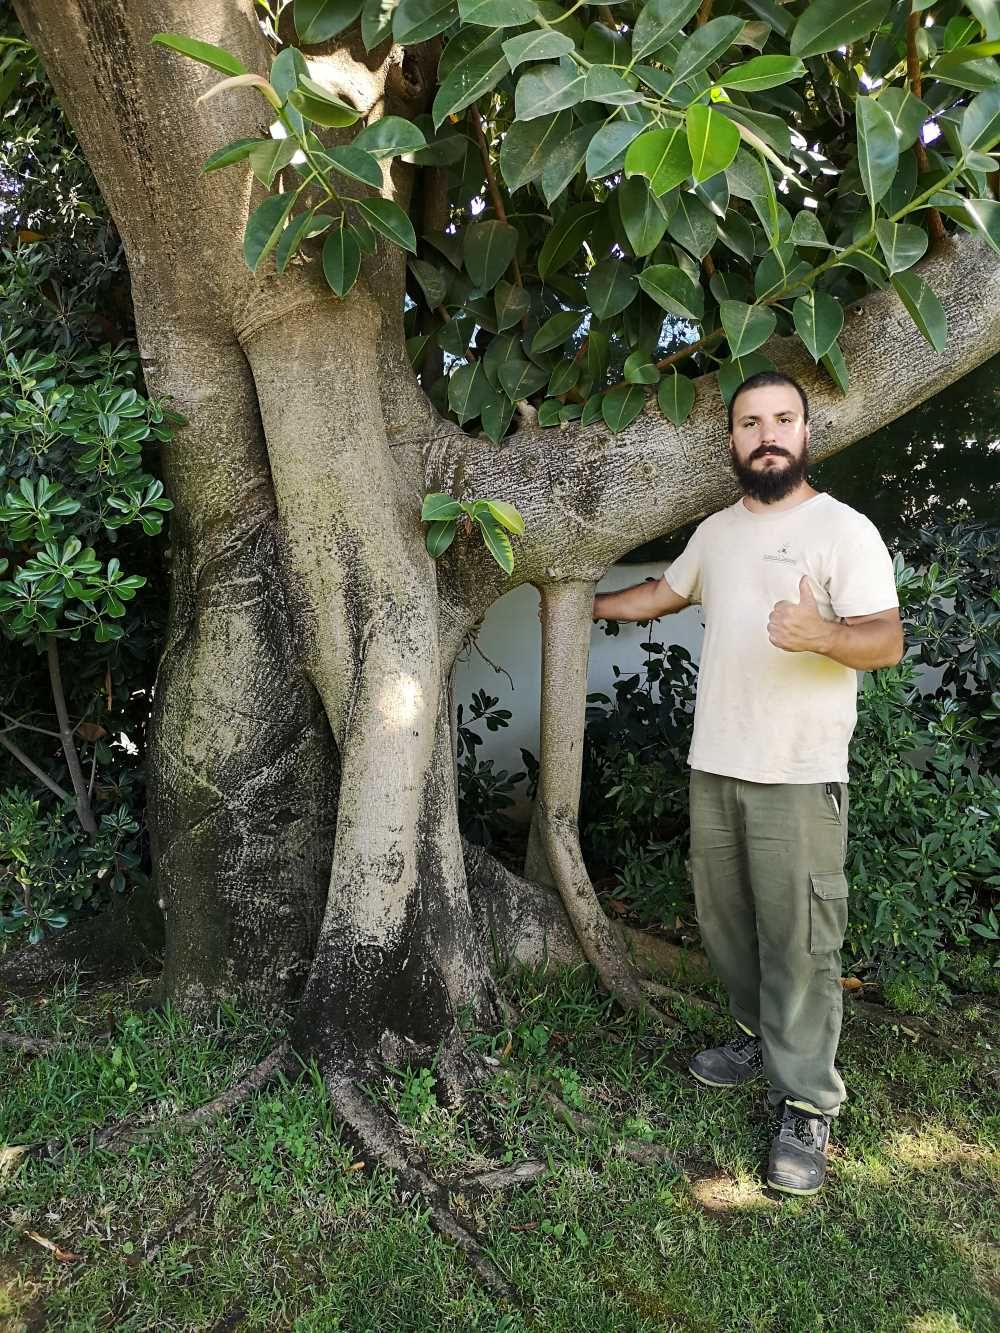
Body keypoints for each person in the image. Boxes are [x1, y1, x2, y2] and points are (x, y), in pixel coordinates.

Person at [592, 371, 903, 1196]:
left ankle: (808, 1102)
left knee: (802, 941)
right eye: (750, 422)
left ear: (806, 433)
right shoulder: (716, 531)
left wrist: (823, 632)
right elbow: (666, 591)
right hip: (716, 765)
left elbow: (887, 640)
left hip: (799, 774)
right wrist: (591, 603)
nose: (767, 434)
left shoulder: (844, 530)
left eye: (782, 419)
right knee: (726, 923)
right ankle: (755, 1039)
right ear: (731, 441)